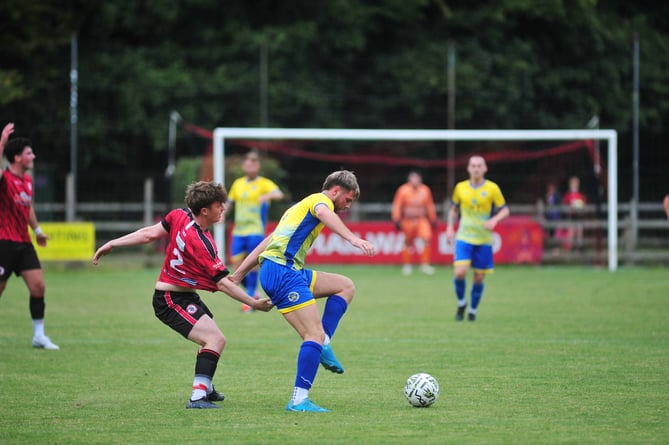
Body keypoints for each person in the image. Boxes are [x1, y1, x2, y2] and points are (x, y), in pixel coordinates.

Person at [92, 181, 273, 409]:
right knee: (215, 339)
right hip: (170, 300)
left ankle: (206, 386)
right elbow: (224, 285)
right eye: (219, 205)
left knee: (211, 333)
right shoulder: (202, 243)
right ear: (205, 210)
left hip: (183, 296)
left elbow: (149, 234)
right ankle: (197, 396)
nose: (224, 209)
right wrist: (253, 302)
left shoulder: (180, 215)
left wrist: (112, 243)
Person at [231, 170, 376, 412]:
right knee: (313, 335)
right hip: (282, 271)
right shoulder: (320, 202)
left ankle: (325, 343)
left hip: (287, 270)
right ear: (335, 191)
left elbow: (268, 241)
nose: (347, 206)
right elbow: (322, 211)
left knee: (344, 285)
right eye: (347, 200)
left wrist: (239, 273)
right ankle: (299, 399)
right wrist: (353, 239)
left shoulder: (297, 208)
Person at [0, 122, 59, 350]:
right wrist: (2, 141)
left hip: (23, 243)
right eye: (28, 153)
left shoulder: (27, 181)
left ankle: (39, 336)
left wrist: (37, 231)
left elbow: (28, 207)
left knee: (38, 287)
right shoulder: (4, 179)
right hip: (4, 243)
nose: (33, 156)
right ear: (16, 158)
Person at [445, 155, 509, 322]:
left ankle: (472, 310)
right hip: (464, 237)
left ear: (485, 168)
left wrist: (494, 220)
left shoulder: (492, 188)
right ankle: (461, 303)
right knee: (460, 273)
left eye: (479, 166)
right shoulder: (460, 188)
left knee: (479, 277)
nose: (476, 169)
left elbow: (505, 210)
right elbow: (453, 210)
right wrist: (450, 227)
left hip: (483, 239)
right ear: (468, 168)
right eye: (473, 166)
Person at [227, 151, 284, 312]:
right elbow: (230, 202)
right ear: (244, 166)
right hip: (238, 230)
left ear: (257, 166)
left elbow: (279, 194)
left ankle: (250, 299)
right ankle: (253, 294)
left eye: (253, 163)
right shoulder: (238, 183)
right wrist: (222, 214)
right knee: (236, 264)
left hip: (255, 229)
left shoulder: (263, 183)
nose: (250, 166)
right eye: (248, 163)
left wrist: (268, 196)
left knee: (252, 265)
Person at [391, 170, 438, 275]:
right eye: (413, 178)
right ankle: (407, 265)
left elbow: (429, 205)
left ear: (420, 179)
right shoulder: (403, 190)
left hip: (422, 219)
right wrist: (396, 218)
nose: (415, 181)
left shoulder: (425, 190)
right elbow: (397, 205)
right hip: (407, 220)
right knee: (407, 242)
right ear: (409, 180)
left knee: (426, 238)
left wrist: (433, 218)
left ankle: (425, 265)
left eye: (417, 178)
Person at [562, 176, 587, 251]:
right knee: (571, 232)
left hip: (579, 216)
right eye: (572, 186)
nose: (574, 188)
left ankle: (579, 247)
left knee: (579, 231)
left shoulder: (580, 196)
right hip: (571, 216)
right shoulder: (568, 196)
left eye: (575, 186)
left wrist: (581, 207)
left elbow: (583, 204)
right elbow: (564, 205)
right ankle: (570, 247)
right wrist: (568, 209)